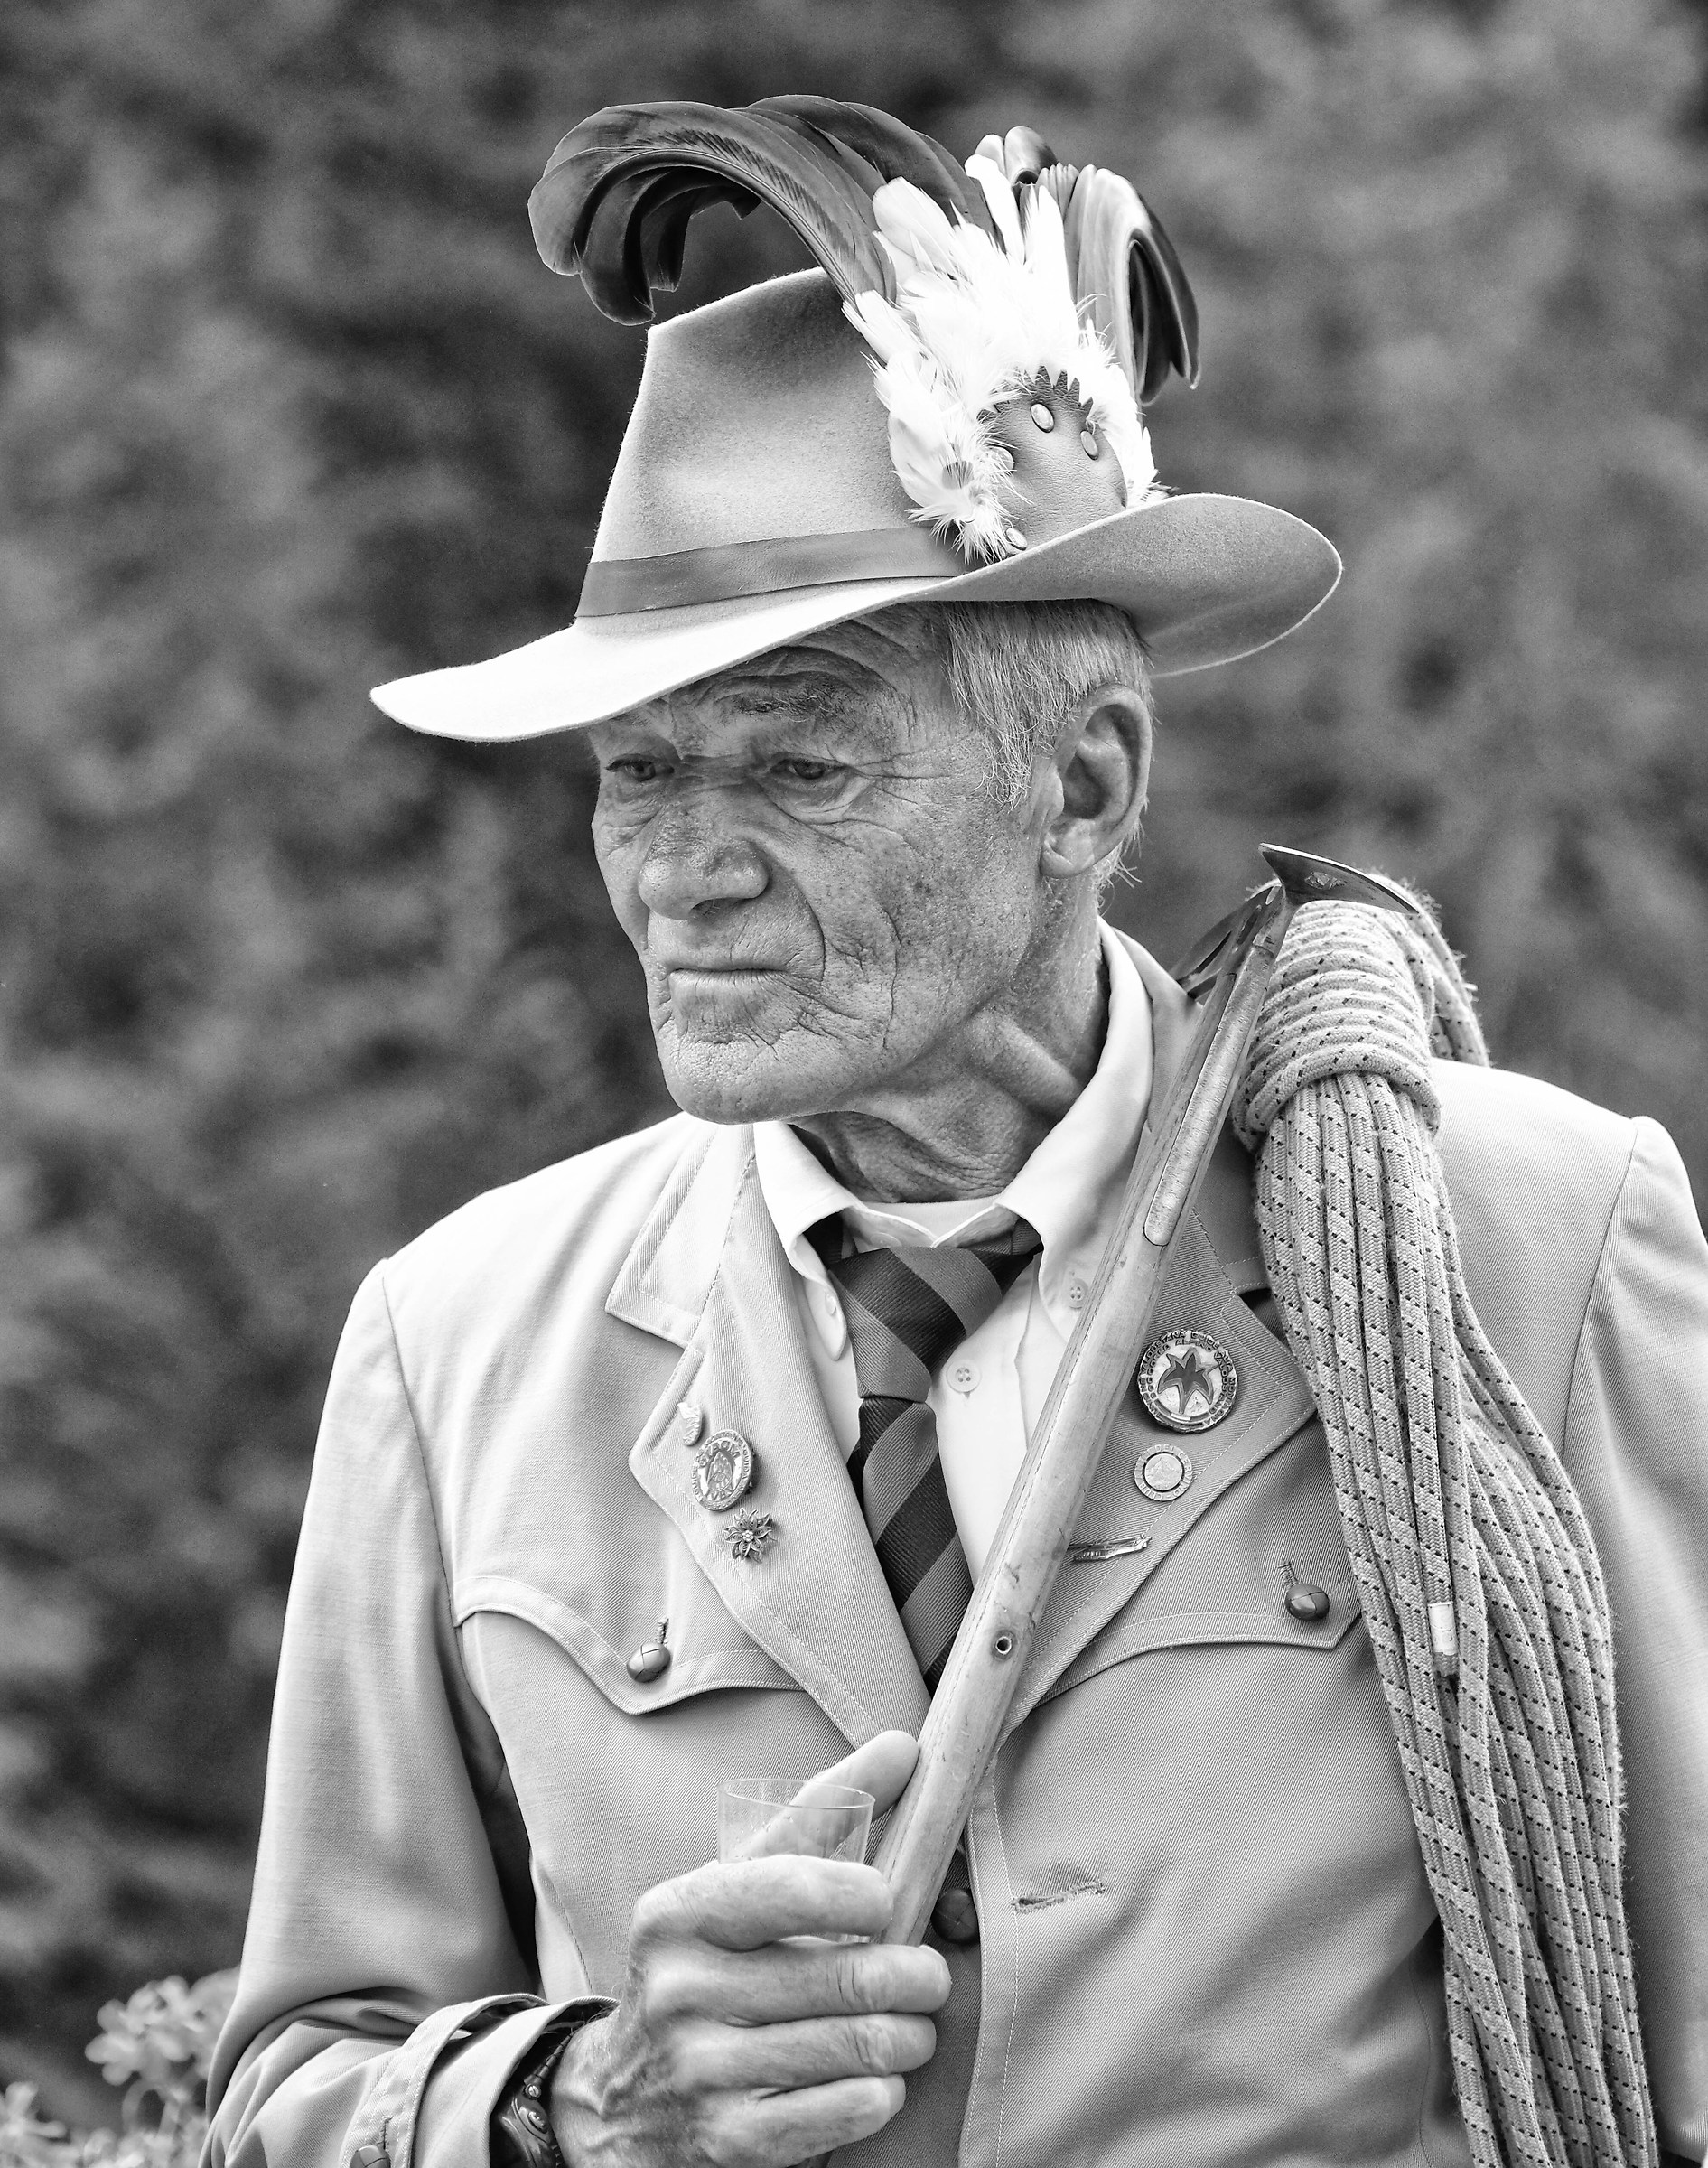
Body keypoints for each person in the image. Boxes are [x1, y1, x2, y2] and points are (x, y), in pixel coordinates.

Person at [204, 100, 1707, 2168]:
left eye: (800, 772)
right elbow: (290, 2084)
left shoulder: (1518, 1240)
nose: (682, 874)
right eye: (639, 776)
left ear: (1084, 791)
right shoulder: (457, 1339)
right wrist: (580, 2100)